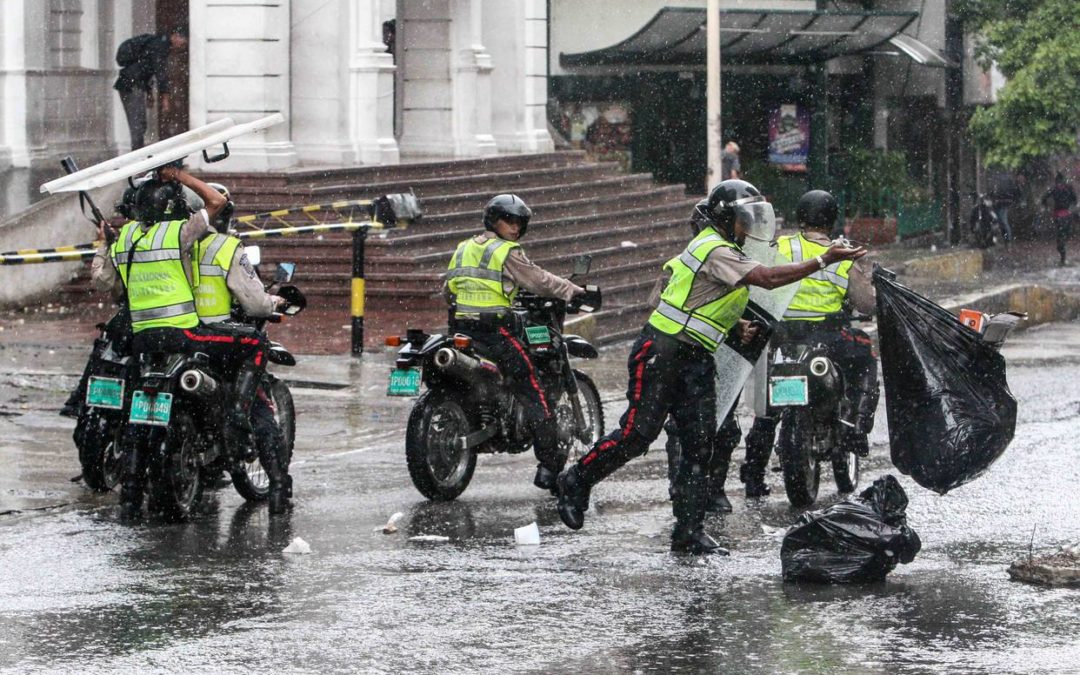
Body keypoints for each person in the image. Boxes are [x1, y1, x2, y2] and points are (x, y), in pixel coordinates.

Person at [554, 180, 866, 555]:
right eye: (743, 218)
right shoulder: (713, 247)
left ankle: (689, 532)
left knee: (699, 444)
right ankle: (576, 479)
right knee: (637, 435)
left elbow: (701, 299)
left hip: (697, 356)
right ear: (724, 217)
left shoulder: (730, 249)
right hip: (662, 351)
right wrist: (823, 260)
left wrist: (737, 325)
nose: (749, 225)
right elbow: (766, 279)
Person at [91, 166, 264, 519]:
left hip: (142, 339)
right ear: (173, 208)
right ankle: (237, 417)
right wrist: (179, 175)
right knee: (254, 344)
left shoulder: (124, 240)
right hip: (183, 334)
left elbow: (103, 280)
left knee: (136, 418)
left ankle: (132, 496)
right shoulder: (177, 234)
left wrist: (104, 240)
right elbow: (217, 200)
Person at [740, 190, 879, 499]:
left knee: (766, 409)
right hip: (828, 338)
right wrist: (867, 273)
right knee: (866, 355)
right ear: (831, 220)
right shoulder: (841, 255)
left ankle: (752, 473)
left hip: (781, 337)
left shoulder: (781, 247)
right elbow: (866, 304)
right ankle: (856, 428)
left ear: (800, 217)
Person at [443, 194, 585, 492]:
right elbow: (539, 280)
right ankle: (550, 464)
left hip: (460, 329)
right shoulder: (505, 252)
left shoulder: (464, 247)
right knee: (532, 386)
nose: (515, 227)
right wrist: (572, 290)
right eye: (509, 220)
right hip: (493, 331)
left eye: (519, 222)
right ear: (494, 221)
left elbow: (449, 287)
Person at [191, 183, 293, 513]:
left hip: (177, 336)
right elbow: (256, 302)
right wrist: (272, 301)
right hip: (218, 337)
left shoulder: (171, 244)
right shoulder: (226, 247)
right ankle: (278, 486)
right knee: (258, 404)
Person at [114, 26, 188, 150]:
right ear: (175, 36)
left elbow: (146, 70)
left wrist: (149, 93)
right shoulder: (160, 46)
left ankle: (138, 154)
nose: (182, 47)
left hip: (131, 84)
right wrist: (165, 98)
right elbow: (160, 72)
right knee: (138, 124)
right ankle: (137, 158)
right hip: (131, 86)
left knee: (139, 123)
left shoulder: (156, 44)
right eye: (183, 43)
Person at [1042, 173, 1077, 266]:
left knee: (1061, 236)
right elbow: (1075, 200)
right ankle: (1063, 255)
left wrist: (1046, 207)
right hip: (1064, 214)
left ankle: (1063, 255)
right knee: (1063, 235)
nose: (1059, 185)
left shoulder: (1055, 189)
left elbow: (1044, 198)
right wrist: (1071, 207)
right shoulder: (1068, 188)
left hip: (1060, 214)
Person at [987, 171, 1022, 243]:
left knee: (1003, 221)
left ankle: (1007, 238)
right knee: (1001, 221)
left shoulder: (1006, 182)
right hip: (1000, 203)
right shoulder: (1006, 182)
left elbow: (1015, 193)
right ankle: (1006, 238)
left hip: (1003, 203)